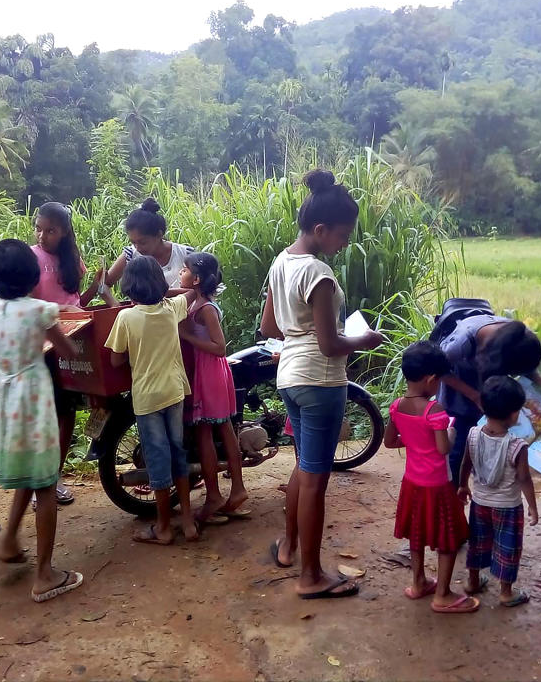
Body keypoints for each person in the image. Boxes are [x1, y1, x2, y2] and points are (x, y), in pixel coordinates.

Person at [260, 169, 383, 599]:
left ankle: (290, 545)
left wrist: (303, 334)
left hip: (289, 377)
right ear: (320, 229)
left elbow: (269, 325)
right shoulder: (319, 275)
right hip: (321, 381)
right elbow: (332, 346)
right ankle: (310, 577)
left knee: (303, 466)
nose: (345, 243)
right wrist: (364, 340)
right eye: (343, 235)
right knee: (316, 477)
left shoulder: (282, 261)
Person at [0, 239, 84, 602]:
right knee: (46, 483)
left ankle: (8, 541)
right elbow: (67, 348)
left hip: (1, 401)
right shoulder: (40, 311)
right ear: (31, 275)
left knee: (30, 470)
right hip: (33, 400)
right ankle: (45, 574)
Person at [106, 255, 198, 545]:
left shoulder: (126, 317)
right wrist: (163, 291)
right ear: (159, 282)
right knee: (178, 453)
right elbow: (192, 292)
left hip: (146, 398)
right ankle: (188, 521)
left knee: (158, 459)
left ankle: (164, 527)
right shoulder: (171, 309)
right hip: (174, 392)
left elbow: (116, 359)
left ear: (129, 286)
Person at [31, 201, 116, 505]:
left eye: (50, 230)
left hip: (75, 342)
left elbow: (76, 301)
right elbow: (27, 304)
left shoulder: (73, 260)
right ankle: (41, 480)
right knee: (49, 414)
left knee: (69, 412)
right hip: (45, 345)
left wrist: (95, 286)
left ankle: (55, 473)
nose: (42, 235)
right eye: (39, 228)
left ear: (65, 232)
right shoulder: (32, 257)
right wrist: (60, 309)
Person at [385, 341, 479, 614]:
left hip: (412, 483)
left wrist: (415, 441)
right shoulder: (435, 411)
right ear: (431, 379)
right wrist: (448, 434)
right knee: (448, 540)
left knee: (417, 534)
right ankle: (443, 595)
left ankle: (418, 583)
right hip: (437, 486)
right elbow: (443, 449)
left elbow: (390, 442)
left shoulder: (396, 406)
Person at [430, 298, 541, 488]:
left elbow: (525, 365)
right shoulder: (458, 344)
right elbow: (437, 370)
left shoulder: (518, 338)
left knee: (487, 452)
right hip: (458, 402)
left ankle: (482, 493)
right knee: (457, 452)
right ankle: (452, 499)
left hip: (488, 401)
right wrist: (474, 396)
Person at [177, 252, 249, 524]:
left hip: (208, 372)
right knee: (223, 429)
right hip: (208, 373)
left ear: (195, 278)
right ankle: (231, 490)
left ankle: (217, 495)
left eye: (183, 271)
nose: (179, 274)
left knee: (206, 432)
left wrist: (185, 335)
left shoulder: (205, 308)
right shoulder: (198, 300)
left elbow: (220, 347)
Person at [458, 375, 539, 608]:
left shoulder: (473, 434)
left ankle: (473, 581)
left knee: (478, 542)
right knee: (508, 547)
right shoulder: (517, 445)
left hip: (480, 503)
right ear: (514, 415)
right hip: (508, 507)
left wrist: (463, 485)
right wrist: (532, 507)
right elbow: (524, 478)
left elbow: (466, 463)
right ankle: (506, 592)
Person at [105, 198, 193, 289]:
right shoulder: (130, 255)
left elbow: (203, 288)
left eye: (142, 242)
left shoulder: (186, 254)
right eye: (133, 242)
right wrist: (114, 303)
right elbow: (104, 285)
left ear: (159, 234)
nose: (137, 247)